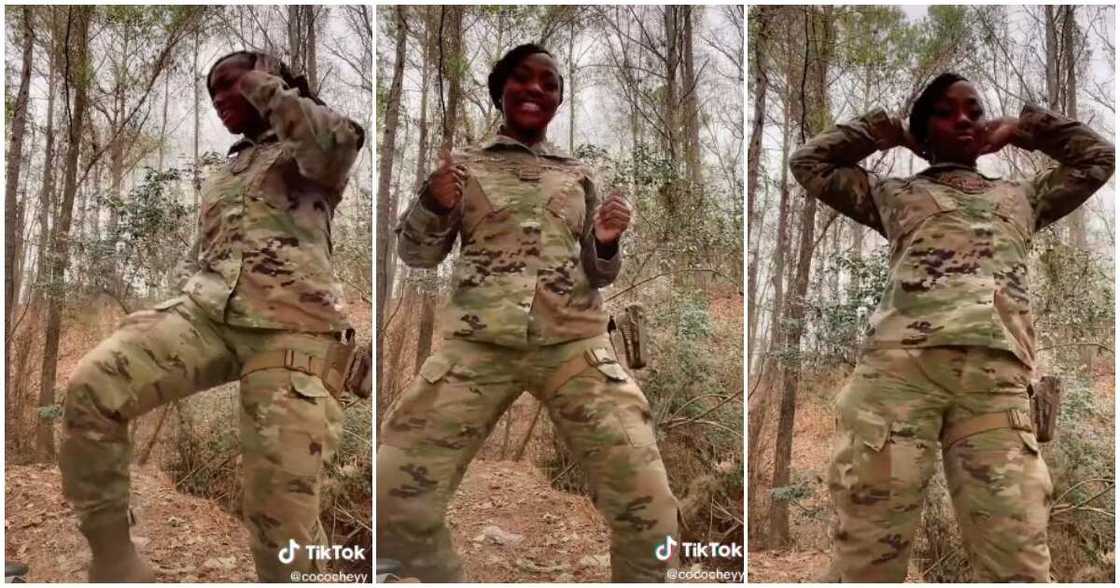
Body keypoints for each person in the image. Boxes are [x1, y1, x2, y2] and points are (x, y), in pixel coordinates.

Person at [790, 72, 1114, 582]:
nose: (964, 118)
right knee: (869, 560)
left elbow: (1098, 158)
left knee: (1019, 562)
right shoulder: (891, 193)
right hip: (897, 382)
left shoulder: (1023, 197)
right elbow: (808, 162)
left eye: (974, 109)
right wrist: (886, 130)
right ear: (924, 128)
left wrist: (1027, 127)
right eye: (944, 111)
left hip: (995, 391)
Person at [59, 51, 366, 582]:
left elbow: (335, 143)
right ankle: (114, 561)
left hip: (293, 327)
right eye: (214, 91)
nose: (223, 97)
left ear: (269, 81)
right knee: (92, 387)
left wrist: (268, 91)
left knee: (281, 523)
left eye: (234, 84)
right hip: (207, 313)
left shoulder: (312, 148)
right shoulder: (230, 169)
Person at [377, 43, 680, 582]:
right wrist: (434, 203)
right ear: (500, 90)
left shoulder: (580, 174)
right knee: (394, 498)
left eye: (550, 83)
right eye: (523, 79)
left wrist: (607, 241)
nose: (536, 89)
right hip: (477, 348)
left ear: (560, 101)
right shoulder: (462, 167)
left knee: (652, 512)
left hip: (575, 347)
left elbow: (600, 271)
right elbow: (416, 256)